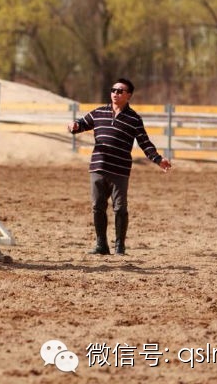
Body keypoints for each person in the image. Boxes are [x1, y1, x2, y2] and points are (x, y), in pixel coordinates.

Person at [67, 78, 171, 255]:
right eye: (113, 90)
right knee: (98, 206)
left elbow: (144, 143)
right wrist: (73, 126)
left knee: (120, 208)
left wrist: (158, 159)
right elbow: (81, 124)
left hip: (120, 170)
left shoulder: (134, 119)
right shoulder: (99, 112)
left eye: (120, 91)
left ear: (128, 95)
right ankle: (101, 245)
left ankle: (120, 246)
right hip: (98, 166)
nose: (115, 93)